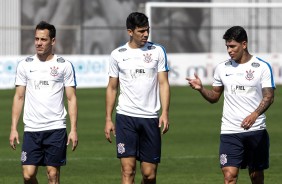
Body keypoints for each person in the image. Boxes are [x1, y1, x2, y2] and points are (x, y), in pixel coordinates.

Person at [186, 26, 275, 184]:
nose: (229, 50)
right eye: (227, 46)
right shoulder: (222, 68)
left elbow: (269, 97)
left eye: (233, 46)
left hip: (256, 131)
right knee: (229, 176)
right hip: (230, 131)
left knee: (256, 177)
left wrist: (254, 115)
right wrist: (201, 89)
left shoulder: (262, 67)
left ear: (244, 44)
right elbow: (214, 97)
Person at [104, 12, 170, 184]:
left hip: (150, 118)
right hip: (126, 118)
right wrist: (108, 119)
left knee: (149, 175)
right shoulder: (117, 54)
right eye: (141, 31)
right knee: (128, 171)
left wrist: (165, 112)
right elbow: (112, 88)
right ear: (130, 31)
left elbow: (163, 83)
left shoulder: (158, 51)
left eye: (147, 30)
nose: (146, 34)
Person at [9, 21, 78, 184]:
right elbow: (19, 97)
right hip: (32, 129)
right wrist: (13, 128)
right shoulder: (25, 65)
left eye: (43, 39)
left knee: (52, 175)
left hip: (55, 128)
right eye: (36, 39)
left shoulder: (64, 66)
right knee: (28, 174)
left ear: (53, 41)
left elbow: (71, 98)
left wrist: (73, 129)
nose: (38, 43)